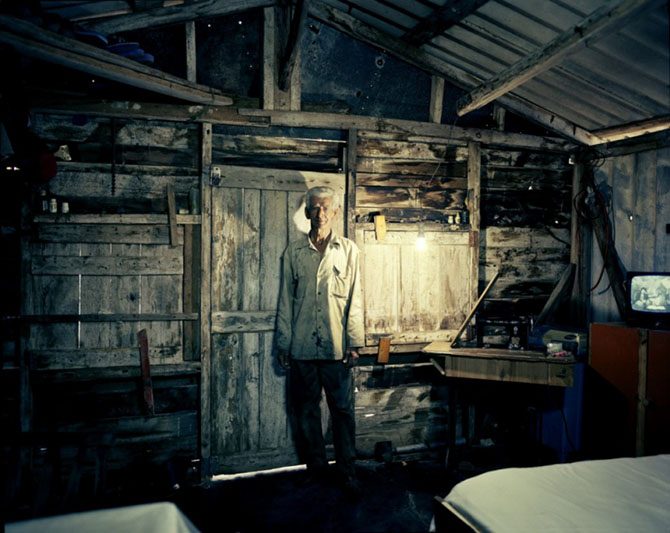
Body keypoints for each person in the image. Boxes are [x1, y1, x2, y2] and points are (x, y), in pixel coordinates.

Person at [276, 186, 365, 498]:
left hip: (336, 348)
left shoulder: (349, 251)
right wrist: (283, 343)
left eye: (326, 207)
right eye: (314, 208)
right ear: (307, 213)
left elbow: (356, 299)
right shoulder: (294, 253)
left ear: (335, 212)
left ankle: (347, 472)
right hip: (301, 347)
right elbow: (285, 301)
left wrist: (354, 342)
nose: (320, 213)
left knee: (342, 411)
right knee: (306, 411)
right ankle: (316, 470)